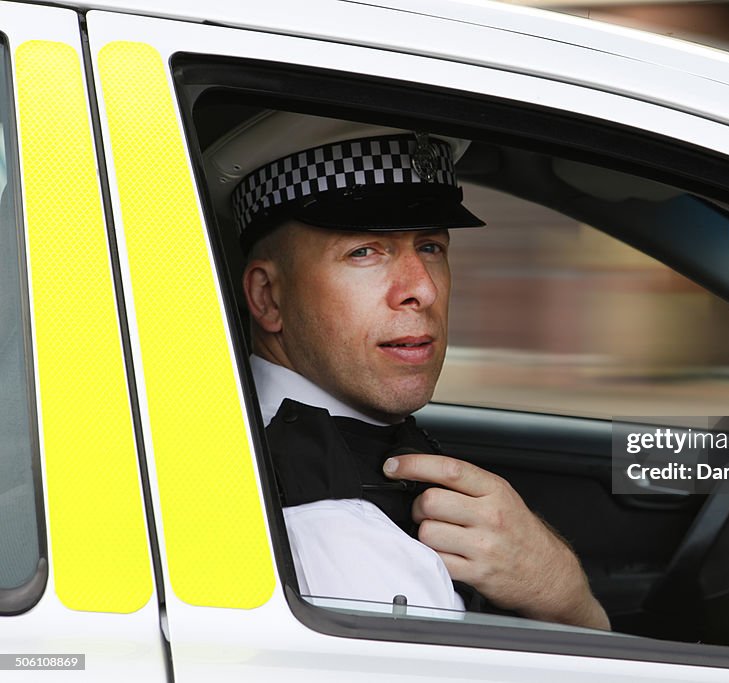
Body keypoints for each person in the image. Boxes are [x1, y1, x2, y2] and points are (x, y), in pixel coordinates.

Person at [209, 112, 609, 630]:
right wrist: (572, 603)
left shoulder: (307, 436)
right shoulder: (328, 525)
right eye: (365, 252)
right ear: (268, 297)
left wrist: (555, 587)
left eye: (430, 247)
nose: (422, 288)